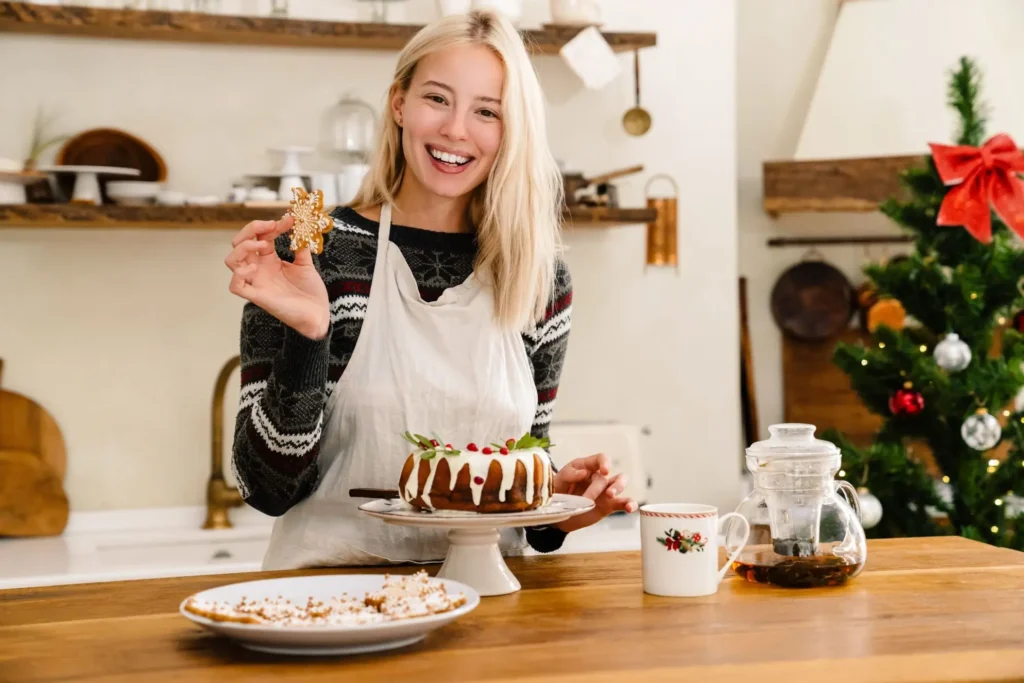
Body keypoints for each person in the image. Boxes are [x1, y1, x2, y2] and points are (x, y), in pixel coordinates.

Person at [224, 10, 637, 571]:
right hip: (331, 606)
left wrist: (557, 504)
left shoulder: (536, 275)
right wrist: (309, 335)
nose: (456, 130)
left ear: (511, 130)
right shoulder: (312, 253)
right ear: (399, 104)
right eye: (437, 99)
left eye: (486, 111)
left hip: (487, 605)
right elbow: (266, 489)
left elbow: (521, 466)